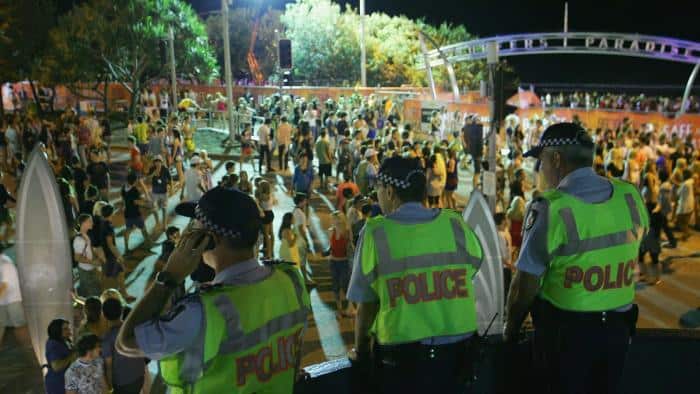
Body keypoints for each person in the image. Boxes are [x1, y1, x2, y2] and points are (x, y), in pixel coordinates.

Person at [115, 187, 310, 393]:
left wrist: (169, 276)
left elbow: (125, 343)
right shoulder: (290, 279)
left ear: (210, 239)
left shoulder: (203, 312)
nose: (189, 231)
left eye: (195, 226)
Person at [504, 123, 649, 394]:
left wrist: (510, 328)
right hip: (618, 336)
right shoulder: (630, 197)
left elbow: (525, 283)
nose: (541, 169)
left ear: (556, 159)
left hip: (565, 340)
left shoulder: (550, 208)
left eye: (542, 160)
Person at [347, 156, 483, 393]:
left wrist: (361, 354)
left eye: (378, 189)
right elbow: (472, 269)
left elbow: (365, 308)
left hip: (402, 363)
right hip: (459, 358)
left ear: (389, 192)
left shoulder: (375, 233)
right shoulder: (455, 224)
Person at [101, 299, 146, 394]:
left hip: (123, 383)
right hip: (139, 375)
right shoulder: (134, 327)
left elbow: (109, 367)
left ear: (104, 316)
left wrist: (109, 388)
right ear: (122, 311)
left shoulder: (107, 339)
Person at [328, 211, 354, 318]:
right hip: (333, 261)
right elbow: (331, 246)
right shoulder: (331, 231)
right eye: (334, 220)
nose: (335, 222)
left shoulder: (347, 232)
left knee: (345, 285)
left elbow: (350, 247)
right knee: (335, 286)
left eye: (337, 220)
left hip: (344, 262)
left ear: (342, 220)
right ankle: (339, 309)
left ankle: (349, 307)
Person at [0, 248, 28, 348]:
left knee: (19, 326)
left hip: (13, 300)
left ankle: (29, 347)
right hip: (3, 301)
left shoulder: (5, 265)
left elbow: (4, 286)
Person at [73, 214, 102, 298]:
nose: (92, 223)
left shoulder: (86, 235)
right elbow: (77, 257)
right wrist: (93, 262)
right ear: (84, 223)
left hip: (89, 268)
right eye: (90, 221)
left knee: (86, 291)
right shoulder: (79, 240)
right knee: (95, 294)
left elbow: (89, 250)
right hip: (85, 270)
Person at [45, 319, 76, 394]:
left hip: (66, 381)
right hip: (58, 383)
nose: (69, 330)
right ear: (57, 330)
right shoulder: (53, 344)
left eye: (68, 328)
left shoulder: (64, 340)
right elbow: (56, 366)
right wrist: (72, 356)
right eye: (65, 329)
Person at [121, 172, 150, 255]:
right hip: (135, 213)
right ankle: (149, 244)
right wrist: (146, 203)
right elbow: (137, 202)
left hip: (127, 213)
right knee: (143, 229)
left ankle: (126, 248)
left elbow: (124, 199)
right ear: (135, 181)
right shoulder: (134, 190)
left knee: (128, 230)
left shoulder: (123, 188)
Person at [148, 155, 171, 231]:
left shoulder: (165, 169)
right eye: (156, 162)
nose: (157, 163)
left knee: (164, 209)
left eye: (159, 161)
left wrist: (171, 188)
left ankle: (164, 225)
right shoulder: (152, 169)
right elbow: (147, 179)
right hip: (155, 192)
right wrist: (153, 174)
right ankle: (157, 223)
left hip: (164, 192)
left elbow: (170, 180)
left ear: (161, 162)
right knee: (154, 208)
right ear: (154, 163)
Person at [255, 180, 275, 259]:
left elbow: (257, 200)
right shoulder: (270, 194)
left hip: (265, 215)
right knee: (271, 233)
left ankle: (269, 254)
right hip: (270, 213)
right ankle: (270, 250)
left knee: (266, 235)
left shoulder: (263, 196)